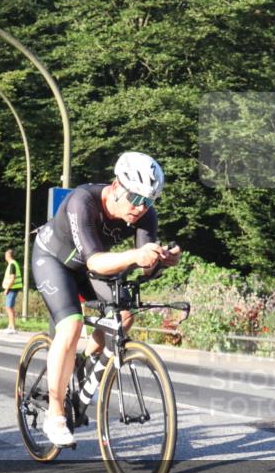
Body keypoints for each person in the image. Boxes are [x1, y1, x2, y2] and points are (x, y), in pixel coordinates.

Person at [32, 152, 181, 446]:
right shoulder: (82, 201)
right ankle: (56, 413)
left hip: (89, 267)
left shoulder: (145, 214)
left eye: (148, 202)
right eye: (135, 200)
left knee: (123, 317)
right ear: (115, 188)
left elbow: (144, 263)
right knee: (71, 326)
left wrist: (161, 260)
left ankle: (84, 367)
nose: (140, 209)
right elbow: (96, 262)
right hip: (54, 260)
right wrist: (137, 256)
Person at [0, 249, 23, 334]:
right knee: (10, 307)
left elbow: (12, 278)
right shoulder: (13, 263)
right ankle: (10, 327)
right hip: (13, 288)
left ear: (8, 256)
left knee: (9, 308)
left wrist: (7, 289)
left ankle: (12, 328)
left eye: (6, 255)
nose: (5, 257)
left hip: (12, 289)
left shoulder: (12, 264)